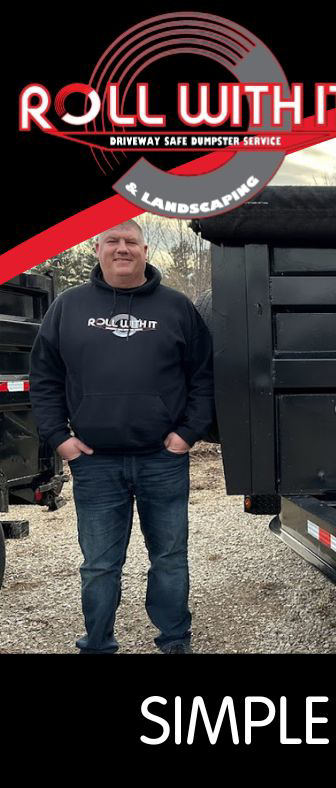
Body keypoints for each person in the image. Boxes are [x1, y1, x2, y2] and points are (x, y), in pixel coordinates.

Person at [30, 220, 214, 653]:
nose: (122, 248)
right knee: (98, 565)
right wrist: (60, 439)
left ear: (146, 249)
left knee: (169, 559)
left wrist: (187, 434)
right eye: (112, 240)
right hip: (94, 463)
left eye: (130, 241)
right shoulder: (68, 307)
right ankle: (96, 643)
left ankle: (174, 641)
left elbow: (204, 377)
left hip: (162, 460)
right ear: (97, 248)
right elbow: (44, 378)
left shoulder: (177, 308)